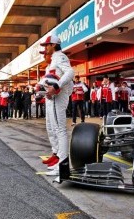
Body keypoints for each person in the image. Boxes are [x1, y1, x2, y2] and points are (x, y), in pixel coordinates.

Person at [40, 35, 74, 176]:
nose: (45, 49)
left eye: (47, 45)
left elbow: (70, 72)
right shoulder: (54, 58)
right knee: (52, 128)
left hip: (58, 96)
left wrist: (57, 86)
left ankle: (62, 164)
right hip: (53, 97)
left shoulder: (60, 56)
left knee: (60, 129)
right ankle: (58, 159)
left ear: (53, 45)